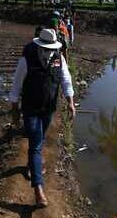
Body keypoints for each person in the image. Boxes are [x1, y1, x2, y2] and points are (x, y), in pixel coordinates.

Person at [9, 28, 76, 206]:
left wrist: (70, 102)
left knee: (40, 139)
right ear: (39, 47)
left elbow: (66, 80)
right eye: (46, 49)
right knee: (35, 143)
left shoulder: (58, 59)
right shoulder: (27, 59)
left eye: (51, 49)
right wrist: (15, 109)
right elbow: (16, 85)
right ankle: (38, 189)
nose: (49, 52)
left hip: (48, 108)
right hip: (30, 107)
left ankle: (33, 166)